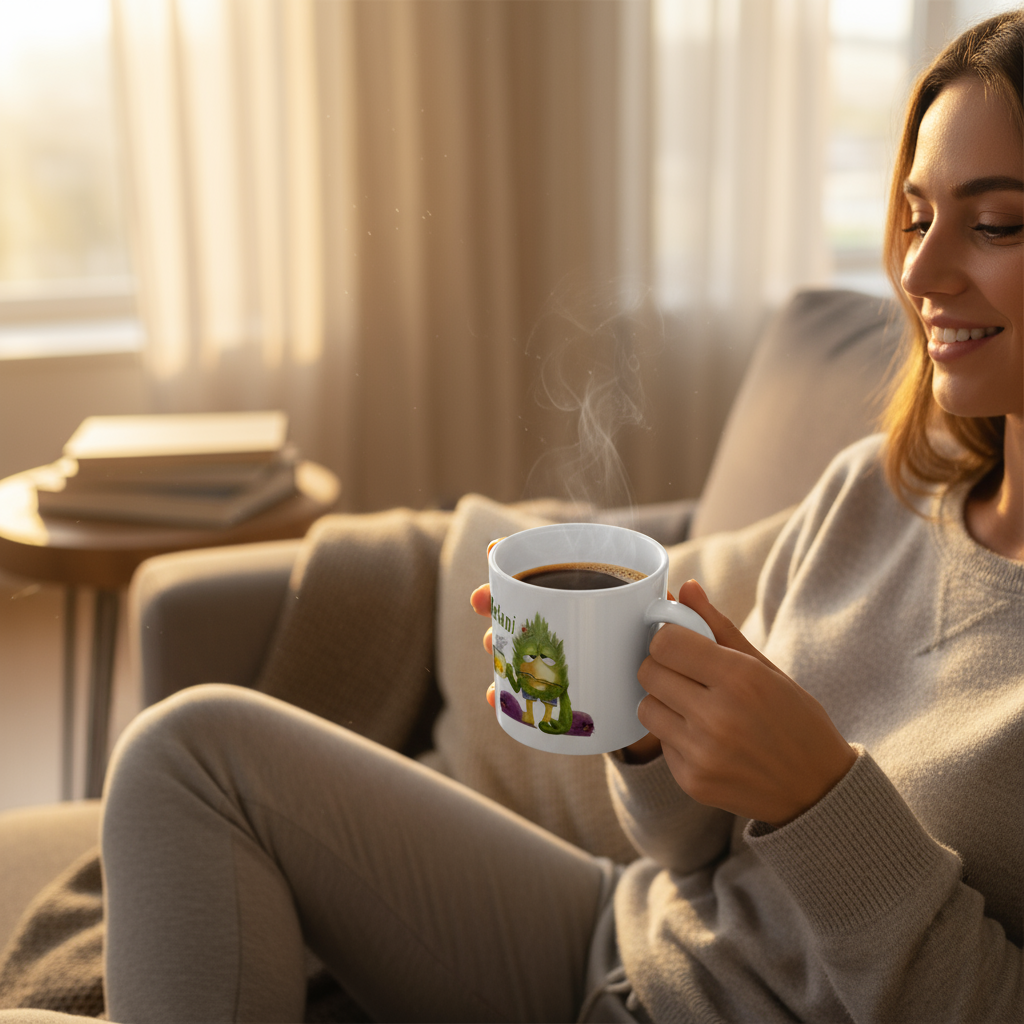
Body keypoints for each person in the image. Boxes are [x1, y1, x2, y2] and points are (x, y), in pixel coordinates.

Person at [87, 10, 1022, 1023]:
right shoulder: (869, 497)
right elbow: (688, 851)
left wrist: (819, 802)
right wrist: (642, 731)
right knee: (187, 752)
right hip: (616, 944)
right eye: (916, 216)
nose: (919, 276)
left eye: (994, 222)